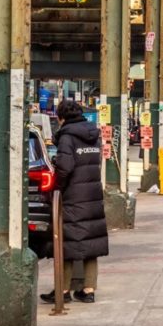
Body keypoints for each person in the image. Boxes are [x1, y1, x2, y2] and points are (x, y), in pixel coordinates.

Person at [41, 99, 108, 305]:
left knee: (66, 242)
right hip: (93, 193)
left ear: (61, 118)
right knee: (91, 241)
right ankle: (88, 290)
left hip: (73, 196)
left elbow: (65, 167)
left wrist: (57, 186)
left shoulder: (67, 137)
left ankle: (63, 290)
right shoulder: (93, 135)